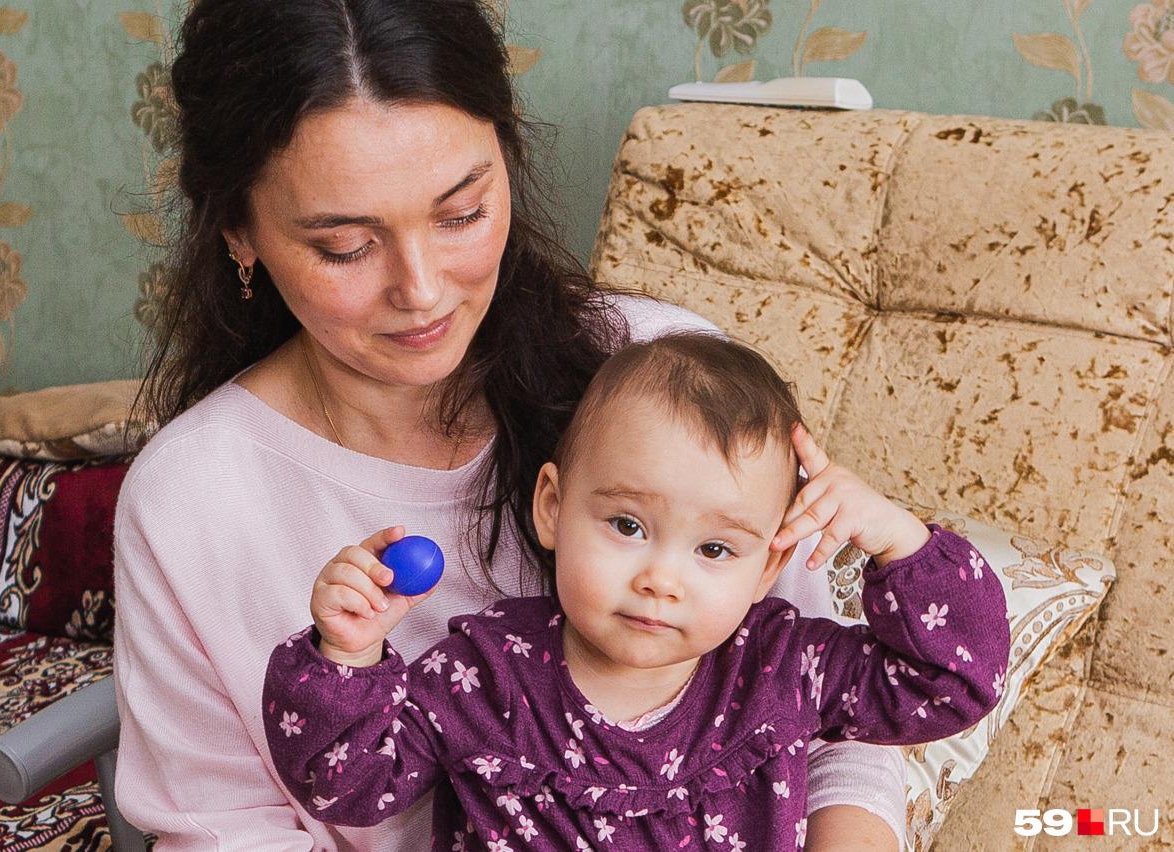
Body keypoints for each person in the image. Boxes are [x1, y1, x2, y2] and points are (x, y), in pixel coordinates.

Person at [114, 0, 911, 847]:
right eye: (346, 246)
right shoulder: (190, 498)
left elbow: (834, 721)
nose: (420, 289)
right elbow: (226, 830)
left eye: (460, 214)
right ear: (239, 232)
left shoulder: (674, 382)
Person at [261, 333, 1010, 850]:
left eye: (715, 548)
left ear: (765, 566)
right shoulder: (486, 672)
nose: (660, 577)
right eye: (626, 524)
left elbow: (952, 686)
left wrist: (903, 542)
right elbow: (344, 788)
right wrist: (346, 653)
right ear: (552, 507)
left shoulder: (783, 666)